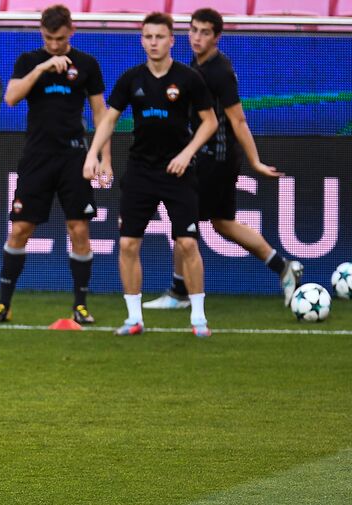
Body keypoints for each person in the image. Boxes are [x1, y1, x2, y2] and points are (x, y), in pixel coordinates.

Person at [144, 7, 303, 311]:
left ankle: (179, 293)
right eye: (193, 30)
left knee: (184, 219)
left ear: (217, 37)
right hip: (210, 157)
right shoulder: (196, 64)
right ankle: (284, 267)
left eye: (205, 32)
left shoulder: (219, 71)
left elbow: (238, 121)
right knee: (223, 224)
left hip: (214, 159)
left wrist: (256, 162)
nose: (197, 37)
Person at [84, 12, 218, 338]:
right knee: (128, 244)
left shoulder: (188, 78)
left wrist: (187, 154)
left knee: (187, 243)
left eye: (160, 37)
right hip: (140, 172)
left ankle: (198, 319)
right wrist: (93, 155)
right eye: (148, 37)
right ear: (142, 40)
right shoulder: (131, 79)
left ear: (172, 40)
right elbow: (109, 119)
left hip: (178, 172)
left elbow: (210, 122)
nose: (153, 43)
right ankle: (134, 319)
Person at [0, 3, 109, 326]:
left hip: (74, 158)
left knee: (79, 229)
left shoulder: (87, 64)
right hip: (37, 157)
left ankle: (80, 306)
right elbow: (11, 98)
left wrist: (102, 158)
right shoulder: (29, 61)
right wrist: (42, 69)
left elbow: (100, 115)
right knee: (20, 229)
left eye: (60, 38)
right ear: (42, 33)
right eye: (49, 38)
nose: (55, 44)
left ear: (71, 32)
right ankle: (3, 306)